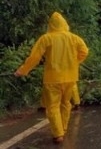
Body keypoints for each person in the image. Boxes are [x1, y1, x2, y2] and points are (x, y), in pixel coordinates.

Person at [14, 12, 89, 144]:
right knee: (66, 103)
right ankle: (63, 129)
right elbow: (84, 51)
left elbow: (35, 57)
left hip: (52, 78)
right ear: (65, 23)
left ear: (51, 25)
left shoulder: (46, 38)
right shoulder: (74, 38)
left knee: (53, 106)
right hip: (71, 77)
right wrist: (74, 62)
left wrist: (22, 71)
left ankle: (58, 134)